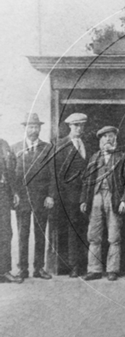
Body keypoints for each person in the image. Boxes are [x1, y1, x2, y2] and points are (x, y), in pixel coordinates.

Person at [80, 126, 125, 281]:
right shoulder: (94, 157)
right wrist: (83, 199)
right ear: (100, 140)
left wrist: (124, 200)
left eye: (111, 137)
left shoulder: (122, 158)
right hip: (96, 197)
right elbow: (86, 181)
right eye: (105, 137)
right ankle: (94, 269)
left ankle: (112, 269)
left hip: (113, 198)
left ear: (115, 139)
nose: (108, 139)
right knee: (93, 235)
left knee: (114, 235)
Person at [12, 113, 53, 280]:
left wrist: (50, 195)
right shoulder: (15, 148)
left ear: (40, 128)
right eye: (30, 126)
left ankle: (39, 268)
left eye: (36, 126)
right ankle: (22, 268)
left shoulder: (48, 148)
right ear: (25, 128)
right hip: (22, 198)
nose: (33, 130)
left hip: (41, 198)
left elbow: (53, 174)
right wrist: (14, 193)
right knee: (23, 234)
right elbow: (11, 174)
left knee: (40, 233)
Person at [51, 113, 90, 277]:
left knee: (84, 230)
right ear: (69, 127)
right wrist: (54, 195)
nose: (79, 129)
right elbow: (55, 172)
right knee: (71, 230)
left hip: (86, 194)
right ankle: (73, 266)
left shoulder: (88, 144)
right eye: (76, 126)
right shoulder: (60, 145)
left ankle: (85, 264)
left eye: (82, 126)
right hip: (68, 196)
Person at [0, 132, 22, 284]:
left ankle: (3, 271)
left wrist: (14, 192)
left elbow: (11, 171)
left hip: (3, 194)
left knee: (6, 232)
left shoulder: (4, 144)